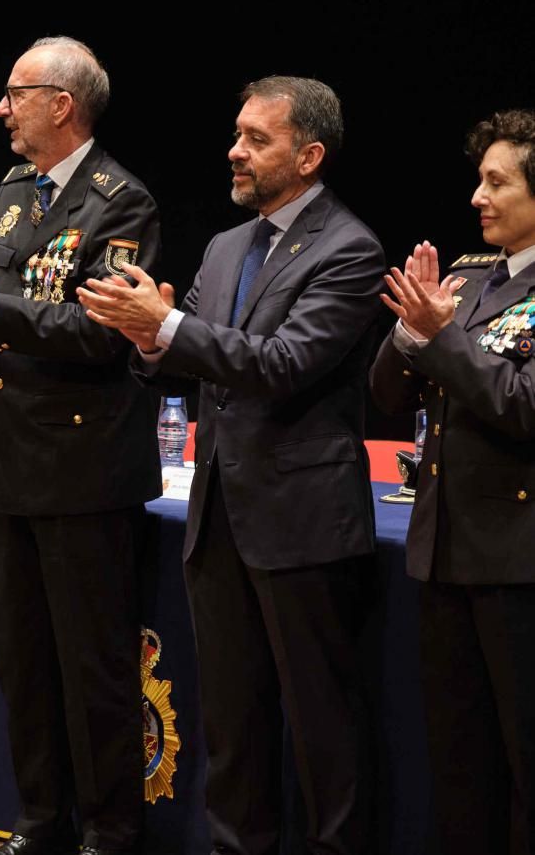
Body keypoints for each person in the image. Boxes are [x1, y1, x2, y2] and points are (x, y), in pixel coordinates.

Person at [77, 76, 383, 855]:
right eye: (237, 134)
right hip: (218, 519)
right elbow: (207, 364)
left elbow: (281, 365)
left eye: (257, 139)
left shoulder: (351, 248)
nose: (234, 150)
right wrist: (149, 339)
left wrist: (170, 323)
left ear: (308, 155)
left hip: (302, 524)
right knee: (233, 724)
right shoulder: (225, 244)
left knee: (322, 729)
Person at [0, 37, 160, 855]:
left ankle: (111, 834)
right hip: (13, 456)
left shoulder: (123, 202)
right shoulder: (15, 190)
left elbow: (102, 333)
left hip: (86, 465)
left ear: (63, 103)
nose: (0, 109)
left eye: (15, 94)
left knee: (91, 667)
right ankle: (41, 821)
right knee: (24, 658)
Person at [370, 109, 535, 854]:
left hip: (519, 563)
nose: (478, 195)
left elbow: (521, 405)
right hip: (444, 553)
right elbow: (387, 397)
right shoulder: (468, 280)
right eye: (478, 178)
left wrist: (442, 340)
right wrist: (409, 331)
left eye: (497, 182)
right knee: (459, 762)